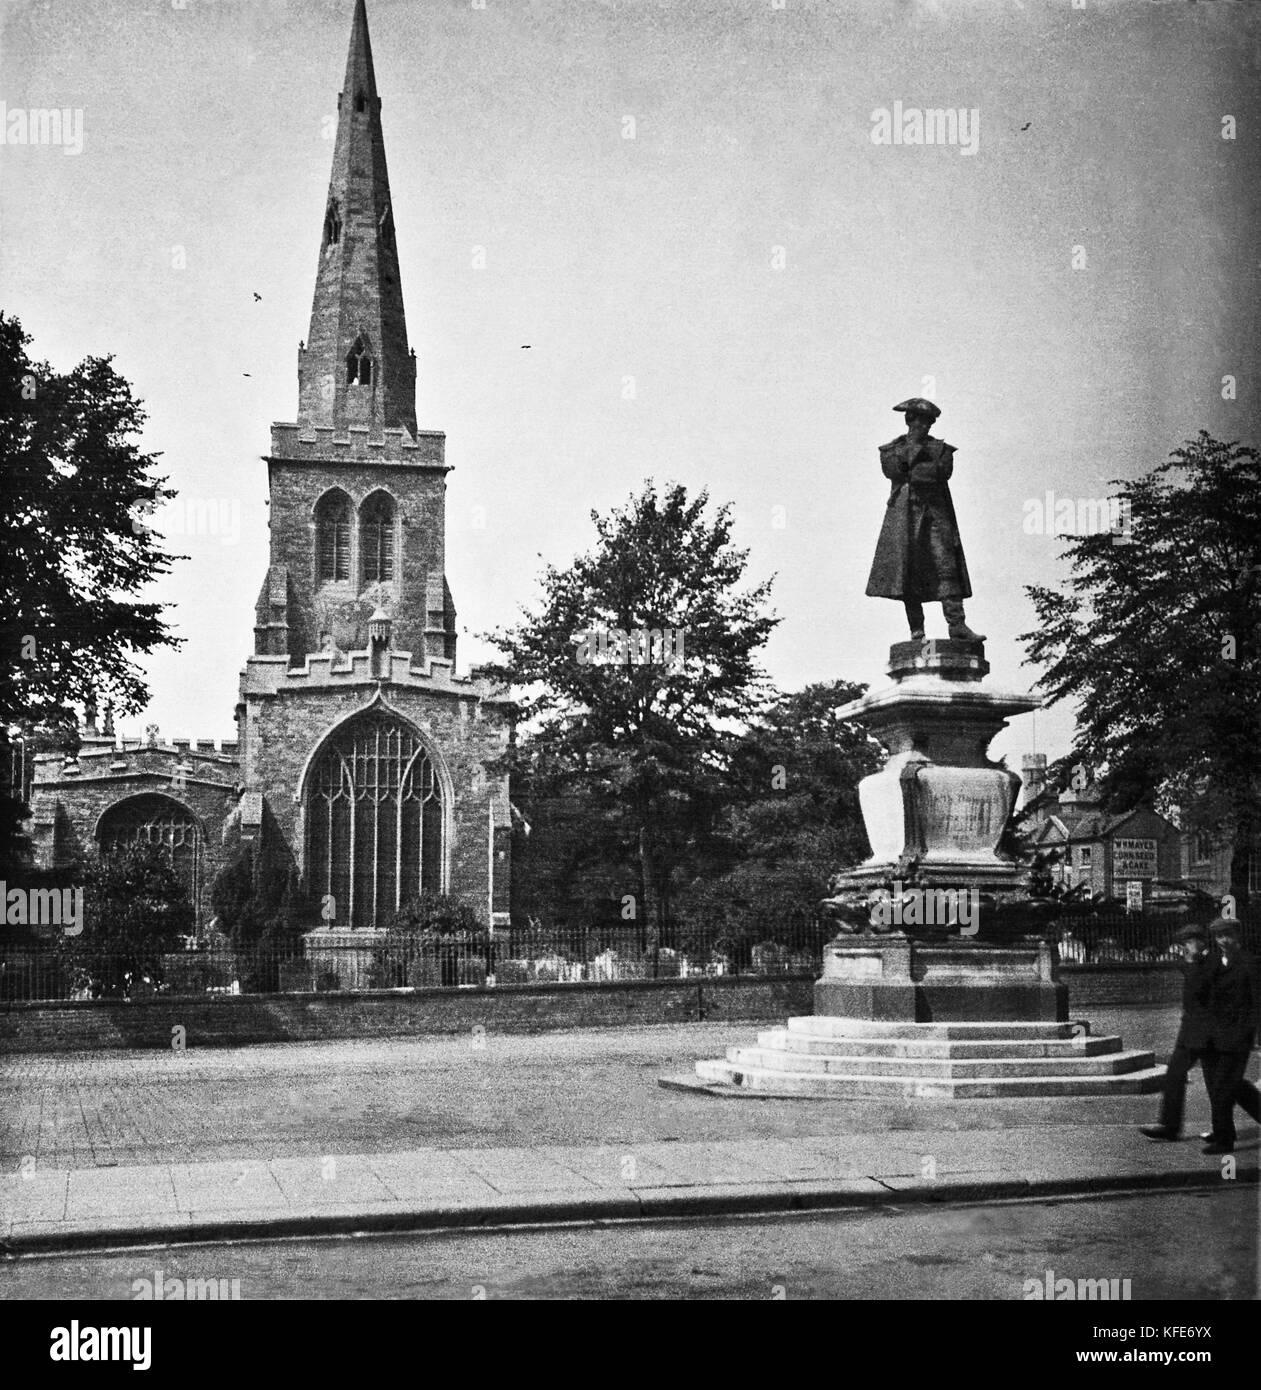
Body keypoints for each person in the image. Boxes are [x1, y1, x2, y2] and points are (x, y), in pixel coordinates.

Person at [864, 397, 985, 642]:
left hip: (935, 517)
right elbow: (894, 471)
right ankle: (916, 629)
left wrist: (915, 467)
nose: (926, 426)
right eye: (922, 421)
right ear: (910, 420)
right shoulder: (892, 449)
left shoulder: (941, 450)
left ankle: (957, 625)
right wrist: (916, 456)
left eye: (929, 423)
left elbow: (940, 474)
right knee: (907, 572)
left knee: (947, 568)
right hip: (905, 519)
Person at [1139, 922, 1215, 1143]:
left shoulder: (1211, 962)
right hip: (1190, 1030)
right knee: (1174, 1074)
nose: (1185, 948)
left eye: (1188, 942)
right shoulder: (1195, 961)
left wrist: (1191, 962)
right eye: (1184, 944)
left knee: (1224, 1083)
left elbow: (1197, 990)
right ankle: (1169, 1126)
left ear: (1200, 941)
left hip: (1206, 1031)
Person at [1200, 916, 1260, 1155]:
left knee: (1225, 1086)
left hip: (1237, 1035)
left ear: (1238, 937)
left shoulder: (1251, 963)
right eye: (1219, 936)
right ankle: (1223, 1130)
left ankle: (1224, 1140)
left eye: (1228, 936)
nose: (1223, 941)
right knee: (1221, 1086)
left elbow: (1258, 1001)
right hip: (1211, 1035)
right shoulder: (1212, 962)